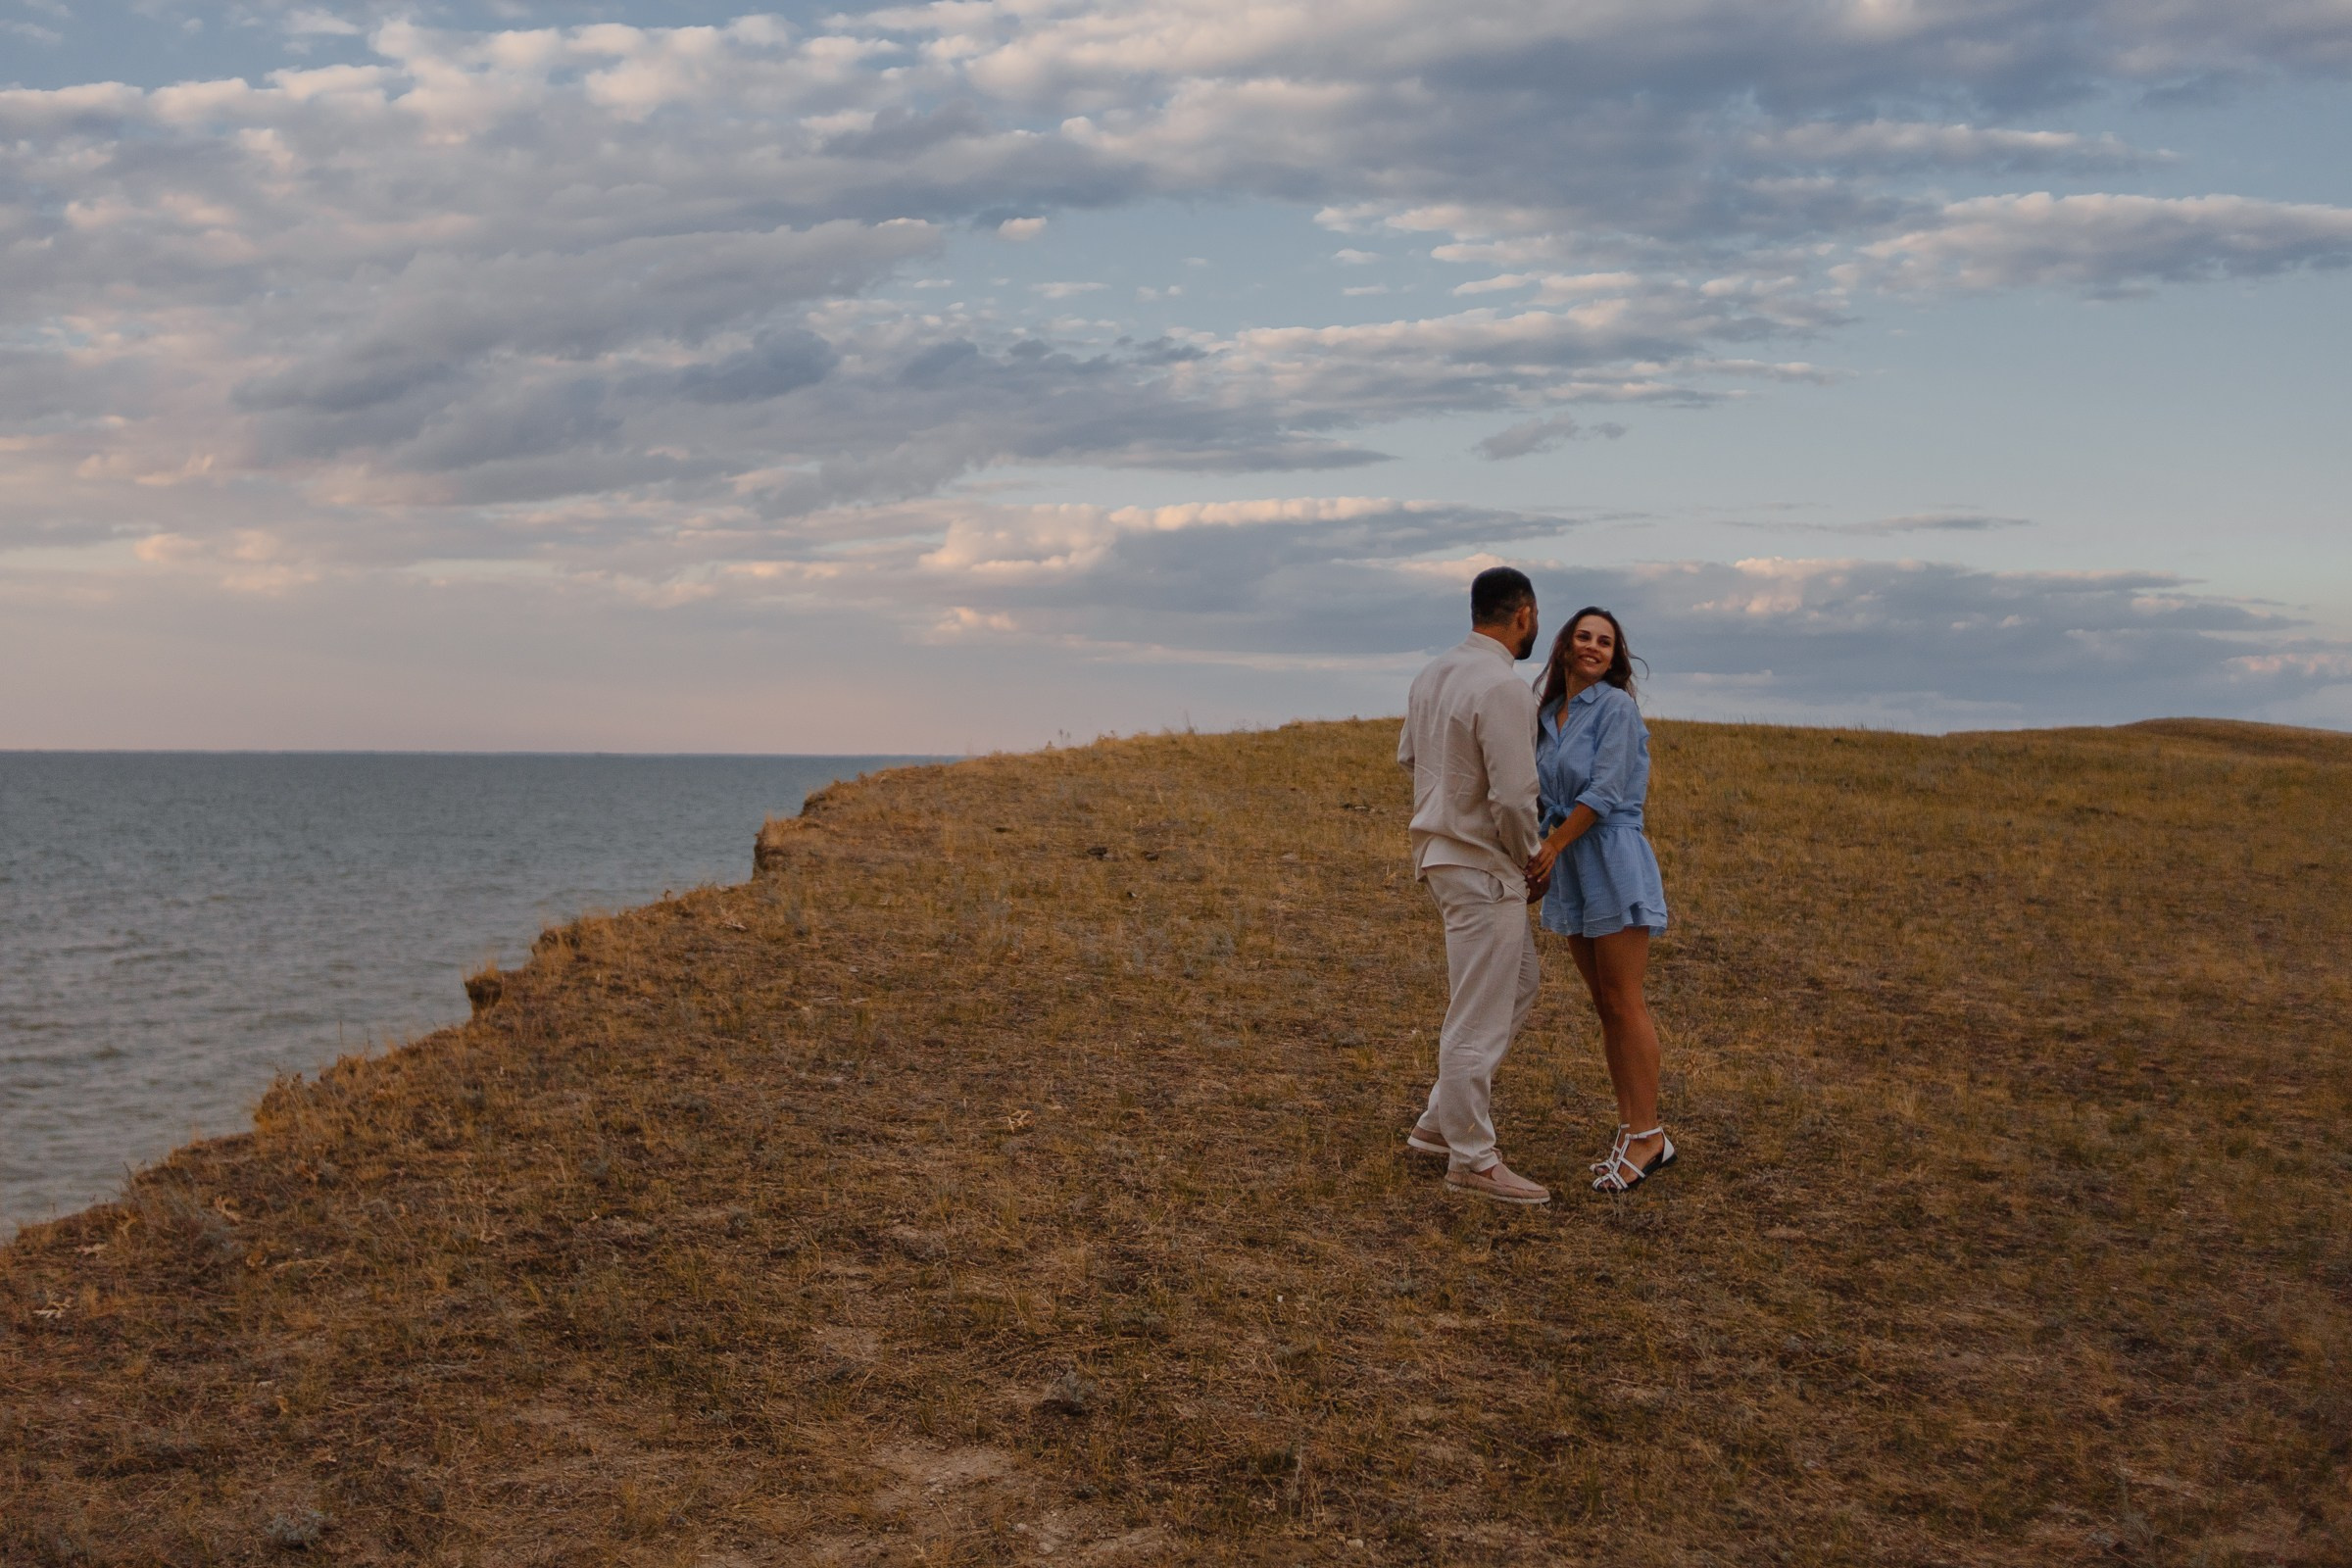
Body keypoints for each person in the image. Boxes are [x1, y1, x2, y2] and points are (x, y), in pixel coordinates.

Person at [1396, 566, 1552, 1204]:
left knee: (1517, 981)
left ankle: (1440, 1122)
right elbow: (1516, 795)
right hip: (1484, 864)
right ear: (1524, 615)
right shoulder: (1505, 688)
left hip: (1443, 855)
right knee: (1478, 1012)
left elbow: (1410, 755)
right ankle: (1471, 1156)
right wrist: (1532, 856)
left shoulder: (1434, 673)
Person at [1524, 607, 1676, 1193]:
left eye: (1605, 642)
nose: (1593, 647)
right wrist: (1539, 850)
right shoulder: (1547, 715)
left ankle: (1649, 1135)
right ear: (1564, 647)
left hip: (1608, 857)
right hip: (1570, 863)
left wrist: (1553, 845)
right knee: (1604, 1003)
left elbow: (1608, 790)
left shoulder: (1616, 708)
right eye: (1583, 637)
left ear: (1615, 656)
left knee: (1624, 1000)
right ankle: (1631, 1129)